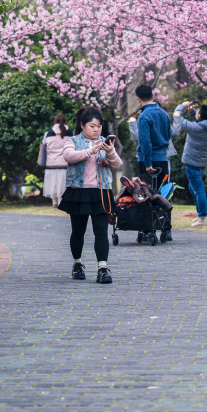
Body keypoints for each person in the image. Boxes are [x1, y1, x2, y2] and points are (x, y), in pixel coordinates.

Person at [58, 107, 122, 284]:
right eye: (92, 126)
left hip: (101, 192)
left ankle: (102, 268)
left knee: (101, 231)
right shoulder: (72, 141)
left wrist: (109, 150)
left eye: (99, 126)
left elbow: (117, 163)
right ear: (82, 125)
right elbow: (69, 156)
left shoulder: (104, 142)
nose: (96, 130)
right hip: (78, 192)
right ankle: (78, 264)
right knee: (78, 232)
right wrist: (90, 151)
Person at [134, 84, 172, 242]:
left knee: (146, 193)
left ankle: (148, 230)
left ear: (138, 99)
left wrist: (148, 163)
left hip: (147, 160)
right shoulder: (164, 114)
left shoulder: (143, 117)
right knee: (162, 193)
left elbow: (145, 142)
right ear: (153, 96)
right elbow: (169, 135)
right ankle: (166, 227)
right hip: (163, 159)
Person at [173, 100, 207, 226]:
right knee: (194, 188)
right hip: (200, 163)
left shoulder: (195, 128)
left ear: (200, 116)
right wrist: (192, 113)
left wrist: (182, 106)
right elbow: (199, 123)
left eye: (198, 113)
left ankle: (202, 217)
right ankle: (200, 215)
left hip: (192, 163)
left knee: (198, 190)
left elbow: (178, 117)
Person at [42, 114, 73, 207]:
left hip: (50, 164)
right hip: (65, 163)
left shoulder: (48, 134)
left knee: (53, 184)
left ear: (54, 122)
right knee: (62, 184)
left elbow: (44, 147)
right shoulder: (70, 133)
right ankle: (61, 202)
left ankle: (54, 202)